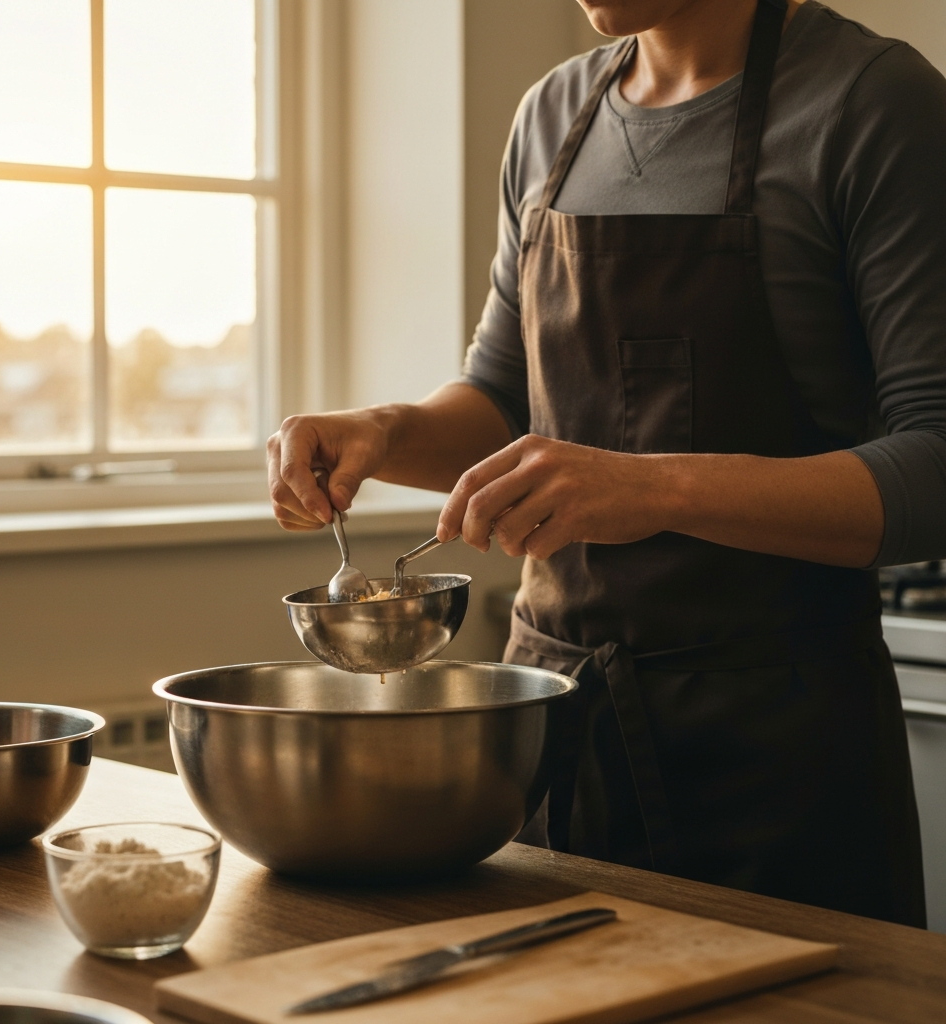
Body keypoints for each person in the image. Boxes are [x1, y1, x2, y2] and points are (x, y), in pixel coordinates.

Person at [268, 0, 946, 928]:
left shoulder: (874, 104)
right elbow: (506, 398)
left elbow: (936, 462)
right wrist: (383, 432)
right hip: (557, 738)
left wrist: (652, 485)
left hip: (778, 764)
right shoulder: (552, 115)